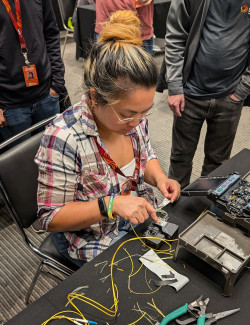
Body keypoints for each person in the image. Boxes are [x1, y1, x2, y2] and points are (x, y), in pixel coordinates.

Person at [35, 10, 180, 267]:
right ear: (94, 98)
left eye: (144, 113)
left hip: (135, 217)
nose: (137, 123)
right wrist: (109, 205)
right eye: (128, 115)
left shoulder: (134, 119)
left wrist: (159, 178)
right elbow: (51, 218)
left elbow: (145, 157)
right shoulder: (64, 138)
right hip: (91, 237)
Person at [158, 0, 250, 189]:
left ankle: (205, 208)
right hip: (189, 94)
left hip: (230, 96)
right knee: (180, 158)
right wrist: (175, 86)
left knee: (217, 164)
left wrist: (242, 90)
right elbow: (175, 37)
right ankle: (174, 209)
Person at [0, 0, 66, 146]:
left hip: (47, 95)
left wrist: (57, 83)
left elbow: (51, 33)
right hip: (10, 106)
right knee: (21, 165)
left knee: (53, 154)